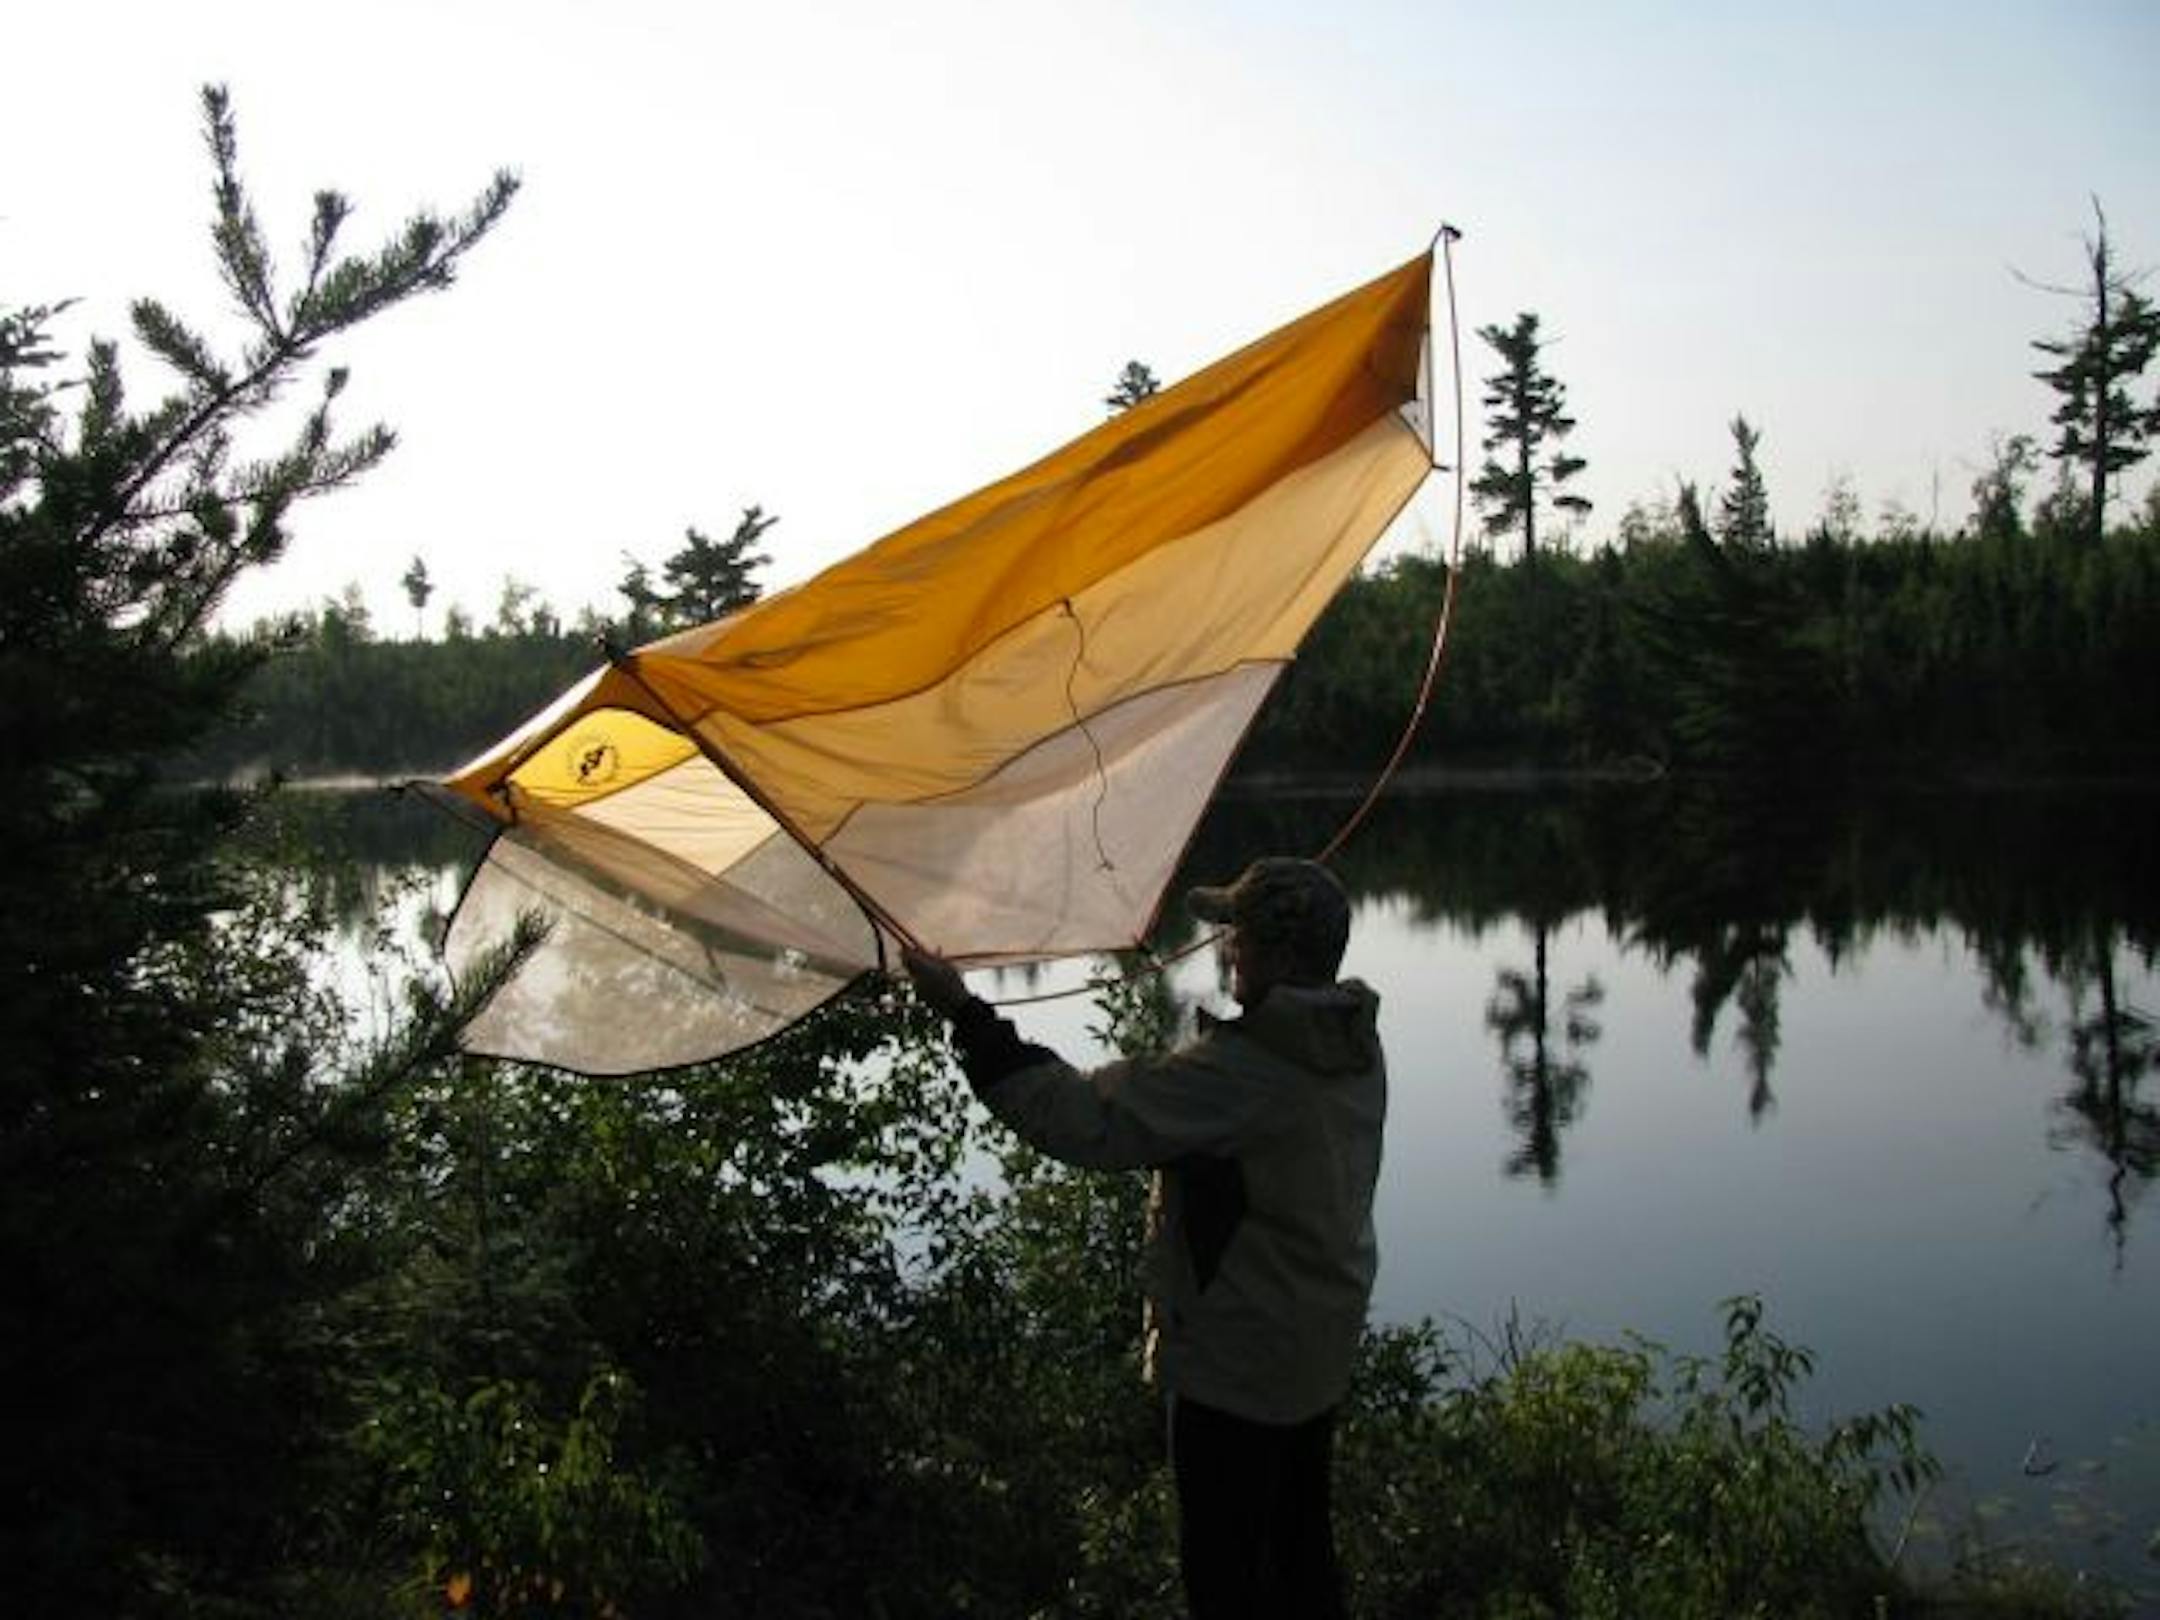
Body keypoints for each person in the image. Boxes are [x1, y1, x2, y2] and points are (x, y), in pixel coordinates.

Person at [902, 856, 1386, 1620]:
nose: (1227, 949)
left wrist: (963, 1012)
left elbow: (1084, 1121)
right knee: (1299, 1557)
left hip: (1238, 1365)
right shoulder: (1351, 1039)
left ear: (1284, 957)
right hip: (1313, 1349)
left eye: (1242, 937)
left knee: (1225, 1576)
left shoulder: (1248, 1070)